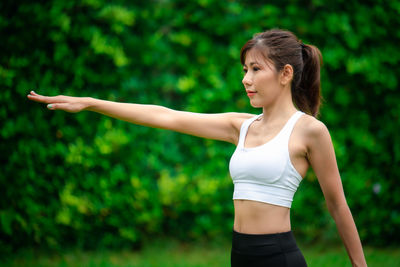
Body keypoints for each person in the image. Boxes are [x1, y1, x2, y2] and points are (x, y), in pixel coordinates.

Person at [27, 29, 367, 267]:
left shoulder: (310, 131)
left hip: (279, 257)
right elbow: (167, 116)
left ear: (286, 74)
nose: (246, 79)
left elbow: (337, 205)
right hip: (240, 254)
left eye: (255, 69)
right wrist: (90, 103)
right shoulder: (242, 126)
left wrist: (359, 264)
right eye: (244, 69)